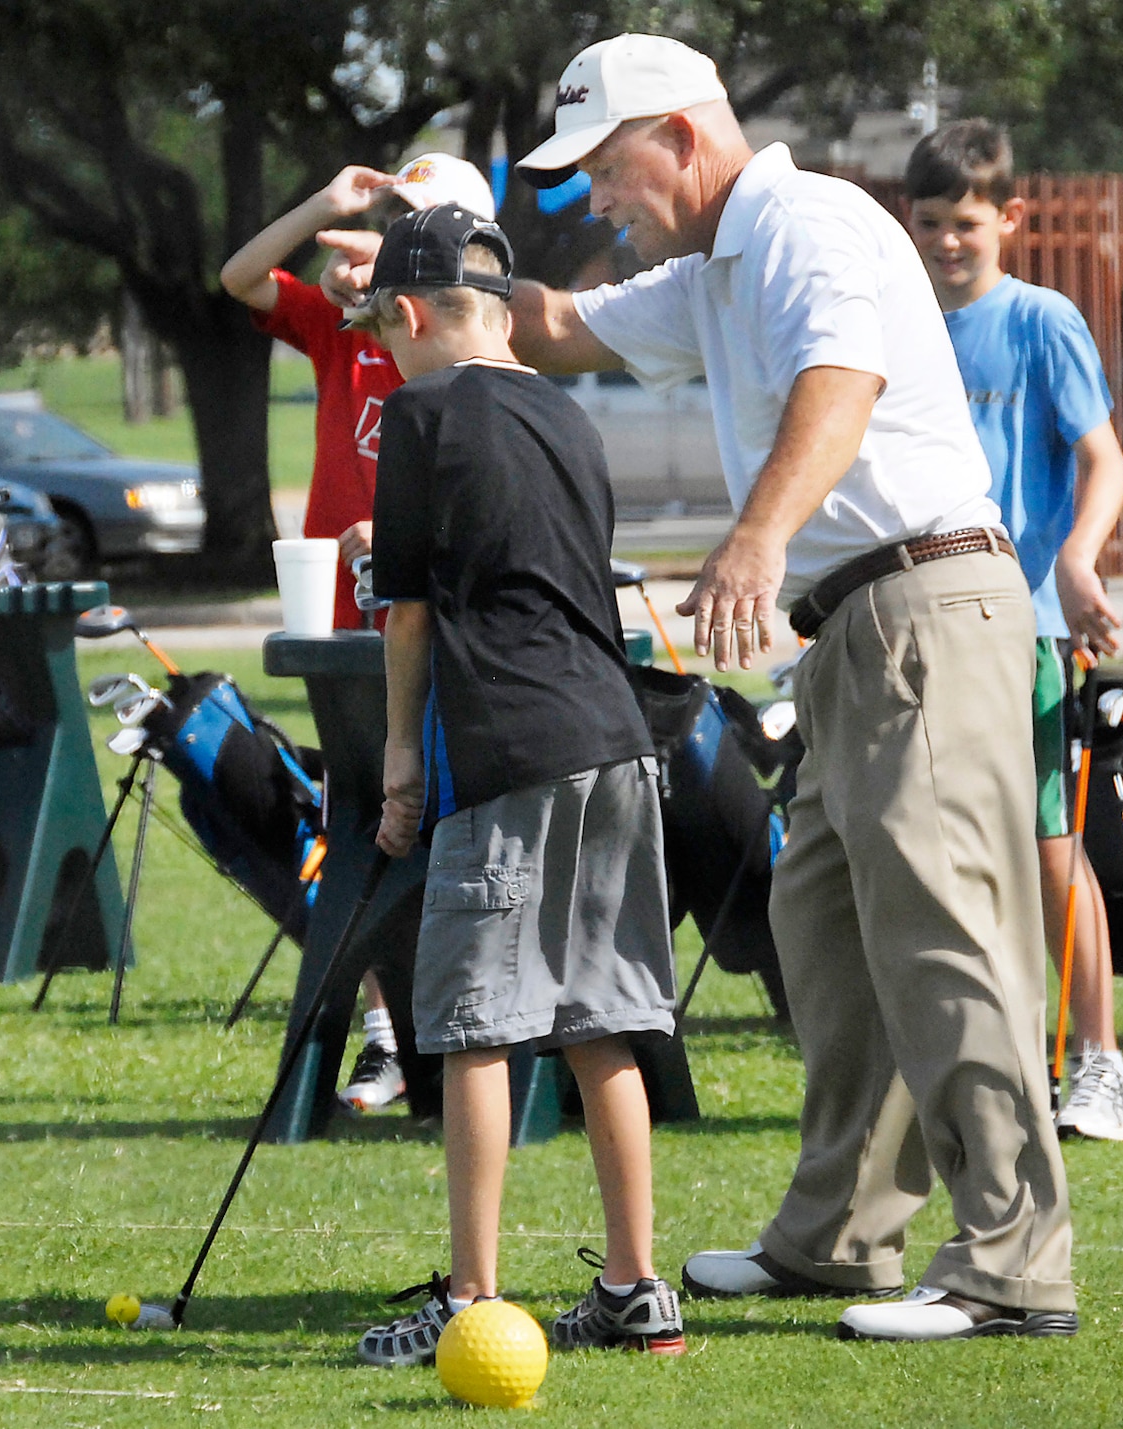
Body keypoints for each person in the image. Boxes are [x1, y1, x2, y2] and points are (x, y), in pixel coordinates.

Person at [499, 33, 1076, 1342]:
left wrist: (755, 536)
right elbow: (552, 328)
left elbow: (841, 382)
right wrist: (432, 241)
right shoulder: (712, 268)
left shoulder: (811, 221)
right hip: (859, 635)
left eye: (605, 164)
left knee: (947, 934)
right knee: (820, 926)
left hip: (927, 604)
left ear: (682, 138)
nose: (594, 196)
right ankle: (840, 1238)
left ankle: (1015, 1262)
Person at [350, 205, 684, 1365]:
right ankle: (638, 1287)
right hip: (616, 736)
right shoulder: (566, 411)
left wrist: (400, 762)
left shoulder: (417, 412)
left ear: (405, 312)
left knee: (473, 1027)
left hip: (506, 746)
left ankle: (471, 1297)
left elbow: (407, 610)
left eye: (379, 329)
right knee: (600, 1018)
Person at [220, 153, 497, 1116]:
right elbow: (241, 279)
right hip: (347, 606)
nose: (381, 243)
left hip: (447, 611)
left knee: (448, 815)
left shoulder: (480, 346)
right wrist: (321, 210)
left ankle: (462, 1030)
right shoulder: (351, 335)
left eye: (407, 225)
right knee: (362, 816)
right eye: (387, 220)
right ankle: (387, 1035)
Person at [905, 120, 1123, 1142]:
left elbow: (1104, 462)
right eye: (928, 224)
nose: (947, 243)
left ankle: (1100, 1063)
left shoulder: (1040, 321)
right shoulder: (895, 321)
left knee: (1047, 845)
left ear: (1009, 217)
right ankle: (986, 1059)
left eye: (965, 223)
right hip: (921, 622)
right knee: (945, 853)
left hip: (1025, 627)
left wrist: (1078, 561)